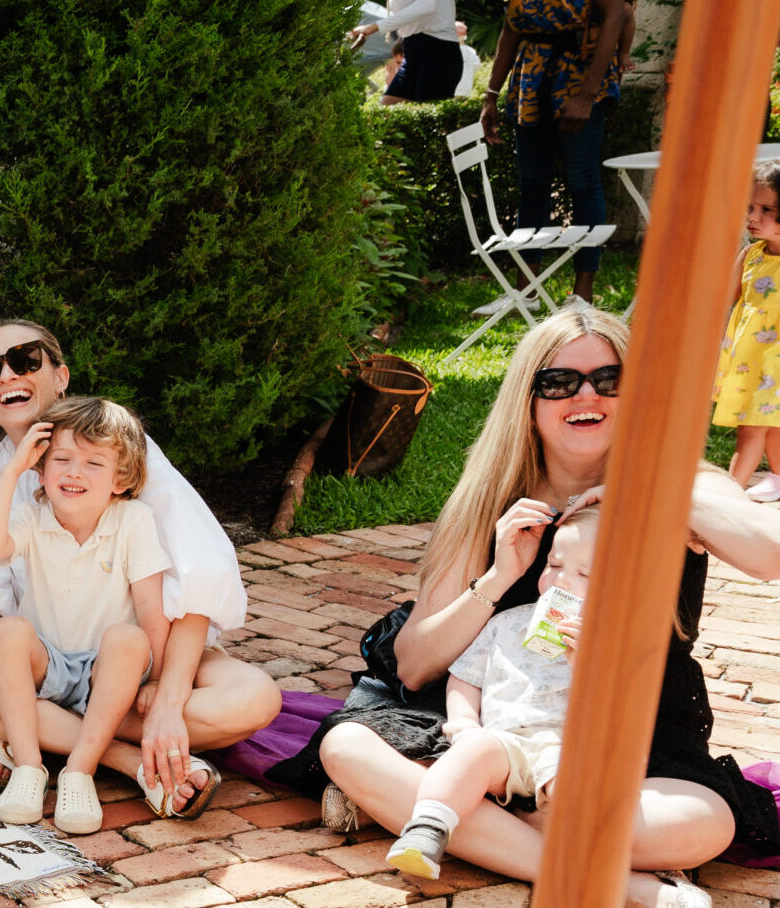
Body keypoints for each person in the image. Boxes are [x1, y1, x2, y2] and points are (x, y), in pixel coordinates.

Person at [298, 307, 780, 905]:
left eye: (611, 379)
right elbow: (416, 665)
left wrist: (653, 486)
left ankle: (437, 811)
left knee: (699, 826)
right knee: (346, 747)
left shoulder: (687, 486)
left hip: (626, 726)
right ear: (529, 399)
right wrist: (500, 577)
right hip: (491, 721)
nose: (587, 395)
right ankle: (617, 883)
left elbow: (770, 557)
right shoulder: (490, 500)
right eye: (559, 382)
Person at [0, 319, 278, 818]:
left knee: (253, 698)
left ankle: (20, 730)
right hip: (36, 660)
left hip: (126, 662)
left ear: (61, 376)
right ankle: (124, 759)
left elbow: (196, 583)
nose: (7, 375)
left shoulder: (113, 446)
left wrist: (167, 702)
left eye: (24, 360)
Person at [0, 397, 172, 836]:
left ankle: (79, 770)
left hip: (109, 672)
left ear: (121, 479)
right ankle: (29, 766)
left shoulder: (133, 520)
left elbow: (151, 609)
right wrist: (13, 469)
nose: (74, 472)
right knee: (7, 630)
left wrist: (157, 680)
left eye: (93, 463)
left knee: (127, 637)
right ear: (41, 470)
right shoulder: (32, 517)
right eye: (61, 459)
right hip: (47, 665)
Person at [381, 505, 596, 880]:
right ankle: (427, 829)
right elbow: (466, 677)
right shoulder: (507, 622)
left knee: (579, 790)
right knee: (471, 754)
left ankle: (595, 858)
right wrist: (464, 721)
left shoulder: (614, 639)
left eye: (585, 574)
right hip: (503, 741)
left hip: (567, 746)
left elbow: (617, 709)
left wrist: (586, 660)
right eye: (554, 565)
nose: (561, 581)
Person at [478, 0, 629, 307]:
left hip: (581, 73)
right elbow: (510, 28)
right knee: (533, 185)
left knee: (582, 180)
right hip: (530, 77)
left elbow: (615, 16)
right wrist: (490, 95)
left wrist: (587, 94)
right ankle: (526, 292)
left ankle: (582, 295)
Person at [710, 162, 780, 499]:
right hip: (750, 362)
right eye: (750, 207)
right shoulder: (751, 256)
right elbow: (724, 298)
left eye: (766, 209)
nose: (752, 216)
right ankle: (777, 477)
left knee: (752, 428)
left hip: (775, 366)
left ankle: (729, 495)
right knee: (770, 426)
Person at [352, 0, 463, 104]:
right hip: (412, 51)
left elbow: (427, 6)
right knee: (388, 106)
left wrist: (374, 27)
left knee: (427, 111)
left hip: (438, 52)